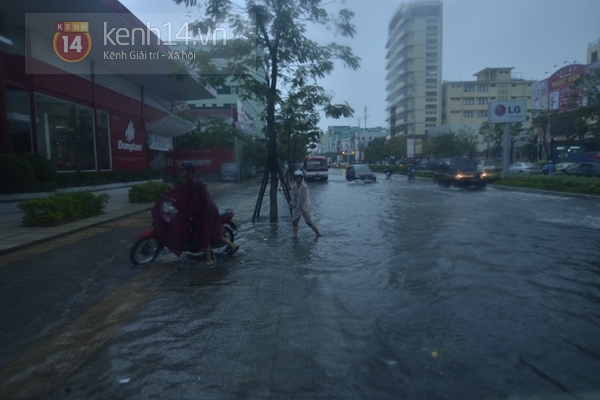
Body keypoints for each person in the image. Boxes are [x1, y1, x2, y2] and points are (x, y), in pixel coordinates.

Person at [179, 161, 239, 265]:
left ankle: (209, 260)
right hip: (207, 208)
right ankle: (232, 246)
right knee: (212, 232)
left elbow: (194, 200)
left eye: (183, 170)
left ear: (189, 171)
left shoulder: (194, 181)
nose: (181, 172)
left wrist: (187, 209)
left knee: (204, 233)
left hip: (205, 210)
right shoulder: (194, 179)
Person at [291, 170, 322, 238]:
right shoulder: (294, 186)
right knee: (294, 222)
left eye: (298, 177)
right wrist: (293, 202)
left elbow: (305, 199)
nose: (296, 179)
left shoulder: (304, 187)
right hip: (297, 207)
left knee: (309, 222)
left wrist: (304, 208)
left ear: (301, 178)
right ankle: (295, 236)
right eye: (295, 177)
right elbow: (295, 196)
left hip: (305, 207)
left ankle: (318, 234)